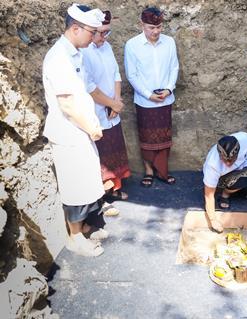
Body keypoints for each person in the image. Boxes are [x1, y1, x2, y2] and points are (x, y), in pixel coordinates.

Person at [42, 4, 107, 256]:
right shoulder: (58, 57)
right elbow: (67, 102)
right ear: (75, 28)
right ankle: (75, 237)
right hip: (69, 132)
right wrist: (92, 127)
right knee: (76, 186)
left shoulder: (75, 53)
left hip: (80, 130)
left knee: (88, 182)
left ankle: (85, 227)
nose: (94, 37)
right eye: (92, 32)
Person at [82, 10, 131, 216]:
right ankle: (101, 199)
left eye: (107, 33)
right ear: (91, 32)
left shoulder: (107, 46)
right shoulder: (84, 52)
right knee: (100, 155)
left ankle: (114, 189)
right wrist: (111, 103)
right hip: (97, 111)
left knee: (115, 148)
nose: (104, 38)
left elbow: (115, 74)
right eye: (101, 33)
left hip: (112, 108)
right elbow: (89, 86)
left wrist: (117, 101)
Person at [124, 7, 179, 187]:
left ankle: (163, 170)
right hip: (144, 100)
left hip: (165, 98)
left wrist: (169, 89)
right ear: (142, 25)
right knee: (147, 138)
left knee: (164, 137)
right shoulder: (132, 45)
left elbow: (174, 67)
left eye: (159, 27)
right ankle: (149, 170)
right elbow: (132, 75)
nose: (155, 32)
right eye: (151, 28)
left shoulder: (169, 42)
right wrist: (148, 94)